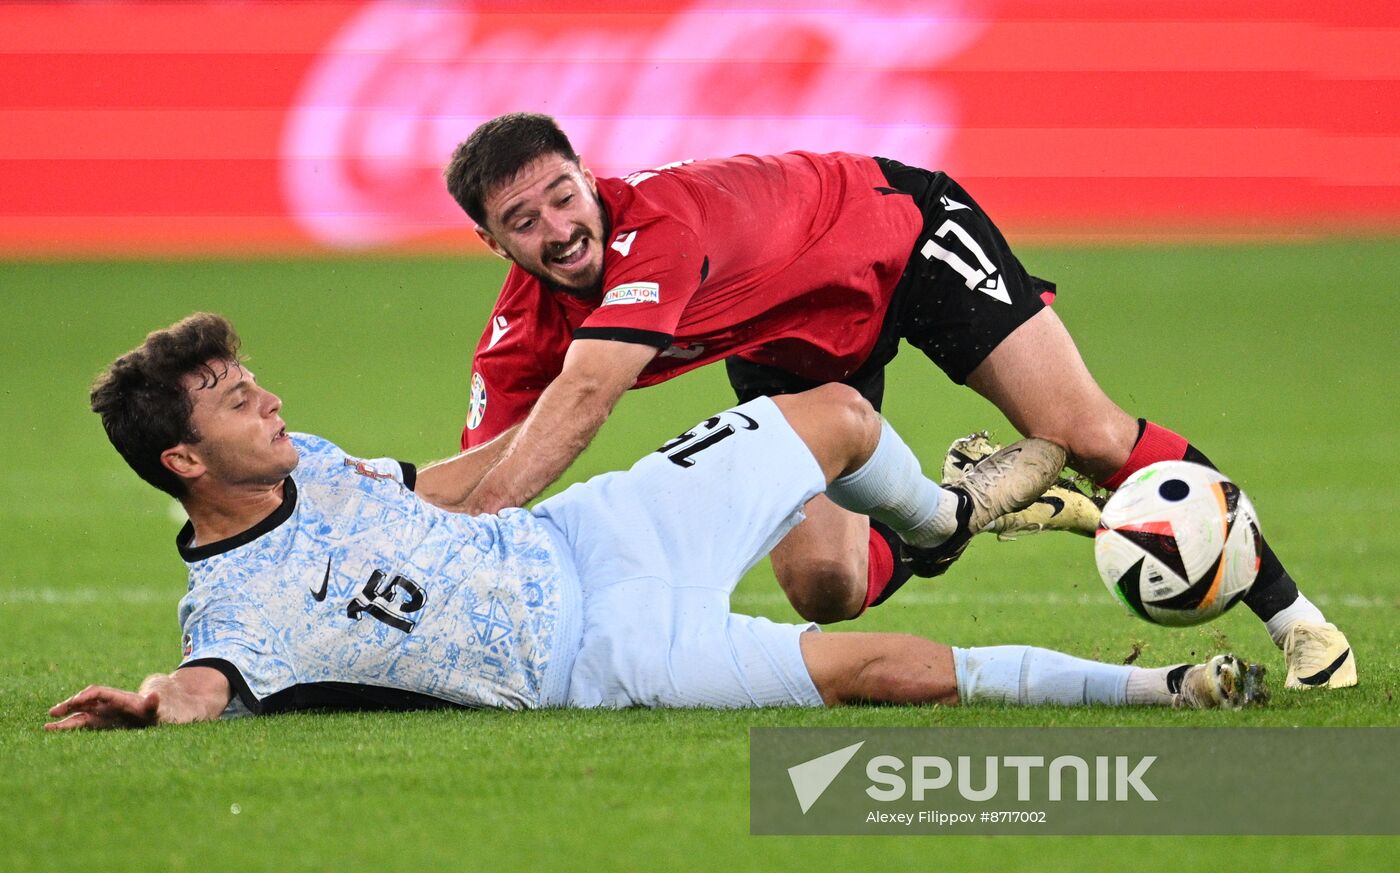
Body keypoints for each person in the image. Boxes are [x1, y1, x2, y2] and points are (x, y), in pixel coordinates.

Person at [439, 112, 1353, 690]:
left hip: (897, 239)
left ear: (588, 178)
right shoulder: (521, 328)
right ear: (491, 241)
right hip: (787, 346)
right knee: (825, 589)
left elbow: (587, 396)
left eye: (565, 197)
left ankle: (1300, 623)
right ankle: (957, 507)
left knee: (1086, 433)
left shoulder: (659, 227)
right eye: (524, 222)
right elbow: (486, 467)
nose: (559, 230)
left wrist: (483, 517)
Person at [47, 314, 1264, 731]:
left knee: (830, 413)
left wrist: (559, 436)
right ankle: (1159, 697)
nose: (265, 396)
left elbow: (450, 490)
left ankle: (952, 510)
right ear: (182, 458)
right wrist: (152, 700)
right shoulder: (229, 608)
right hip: (592, 659)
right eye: (230, 397)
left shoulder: (309, 461)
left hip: (590, 533)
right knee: (879, 672)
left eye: (247, 377)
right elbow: (205, 685)